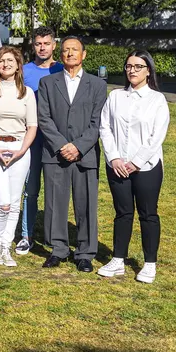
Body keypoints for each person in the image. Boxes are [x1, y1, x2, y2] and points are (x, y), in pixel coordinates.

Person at [98, 50, 170, 284]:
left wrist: (136, 162)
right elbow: (105, 128)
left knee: (148, 214)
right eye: (129, 66)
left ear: (148, 70)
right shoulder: (116, 96)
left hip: (147, 167)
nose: (132, 70)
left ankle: (149, 264)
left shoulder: (157, 100)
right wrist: (115, 158)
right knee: (122, 213)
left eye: (138, 66)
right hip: (117, 166)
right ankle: (118, 259)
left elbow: (156, 136)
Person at [38, 36, 107, 272]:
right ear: (60, 55)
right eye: (66, 50)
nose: (70, 54)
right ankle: (58, 249)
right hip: (55, 153)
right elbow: (44, 118)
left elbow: (97, 122)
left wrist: (78, 146)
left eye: (74, 50)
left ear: (83, 54)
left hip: (85, 154)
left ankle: (85, 252)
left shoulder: (97, 85)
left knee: (85, 203)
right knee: (55, 203)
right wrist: (61, 145)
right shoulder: (48, 83)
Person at [0, 46, 38, 267]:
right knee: (2, 201)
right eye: (1, 61)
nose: (6, 64)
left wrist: (21, 151)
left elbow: (32, 126)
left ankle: (6, 246)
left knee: (14, 203)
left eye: (10, 61)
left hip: (20, 149)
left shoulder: (27, 93)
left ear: (18, 65)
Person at [15, 26, 64, 255]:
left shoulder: (63, 70)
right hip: (31, 138)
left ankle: (56, 237)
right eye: (38, 43)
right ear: (32, 45)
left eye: (46, 43)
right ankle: (27, 234)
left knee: (57, 190)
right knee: (30, 189)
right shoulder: (24, 72)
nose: (42, 47)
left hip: (57, 138)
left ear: (54, 45)